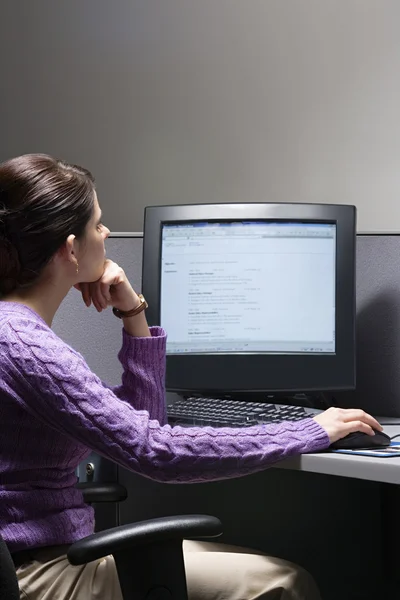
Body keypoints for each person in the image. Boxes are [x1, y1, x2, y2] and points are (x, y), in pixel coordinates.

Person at [0, 154, 381, 600]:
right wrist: (312, 428)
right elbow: (156, 451)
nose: (106, 235)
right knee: (282, 583)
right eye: (99, 225)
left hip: (41, 556)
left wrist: (132, 313)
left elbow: (141, 420)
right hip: (33, 573)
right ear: (70, 249)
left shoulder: (15, 334)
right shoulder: (25, 346)